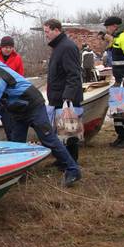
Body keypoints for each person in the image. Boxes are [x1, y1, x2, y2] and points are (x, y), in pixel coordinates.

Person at [0, 51, 82, 187]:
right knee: (17, 143)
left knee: (48, 138)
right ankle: (19, 174)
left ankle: (73, 170)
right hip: (19, 109)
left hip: (33, 105)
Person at [43, 18, 84, 162]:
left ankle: (71, 162)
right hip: (58, 96)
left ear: (56, 30)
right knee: (61, 131)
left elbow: (73, 74)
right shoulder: (58, 46)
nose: (46, 35)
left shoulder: (66, 47)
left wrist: (68, 97)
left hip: (66, 98)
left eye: (47, 31)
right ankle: (62, 160)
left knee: (69, 131)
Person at [104, 16, 124, 147]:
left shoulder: (123, 36)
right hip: (118, 80)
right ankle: (121, 136)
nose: (107, 30)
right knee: (117, 110)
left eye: (107, 27)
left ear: (115, 26)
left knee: (123, 111)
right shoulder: (117, 37)